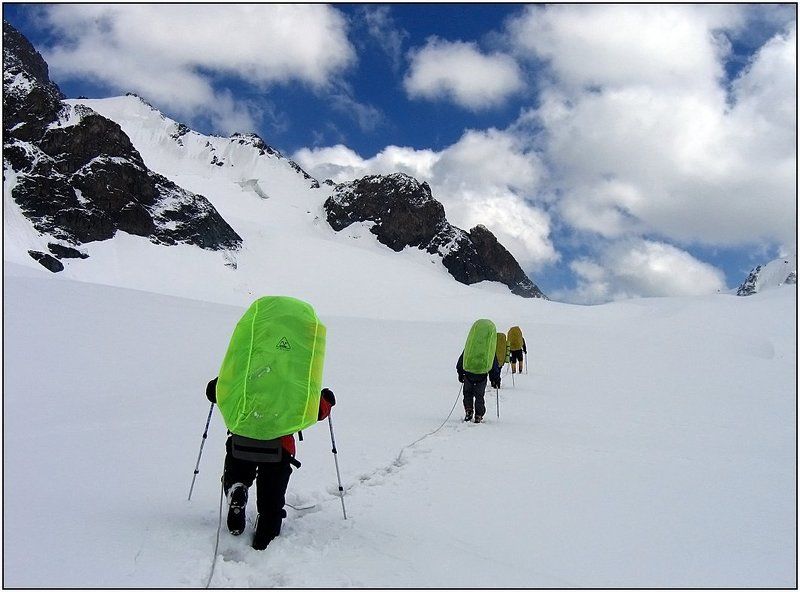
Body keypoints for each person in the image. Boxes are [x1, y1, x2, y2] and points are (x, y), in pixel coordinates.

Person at [206, 378, 336, 550]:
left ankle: (236, 489)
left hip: (242, 440)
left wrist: (217, 384)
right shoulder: (294, 377)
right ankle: (266, 536)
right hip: (278, 448)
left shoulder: (246, 368)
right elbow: (316, 410)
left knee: (237, 472)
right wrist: (326, 400)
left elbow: (214, 392)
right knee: (271, 498)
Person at [456, 351, 500, 423]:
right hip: (482, 374)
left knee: (468, 393)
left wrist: (460, 373)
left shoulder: (472, 344)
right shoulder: (488, 346)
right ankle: (478, 415)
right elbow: (493, 363)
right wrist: (495, 378)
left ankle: (469, 410)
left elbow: (463, 358)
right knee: (479, 395)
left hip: (469, 373)